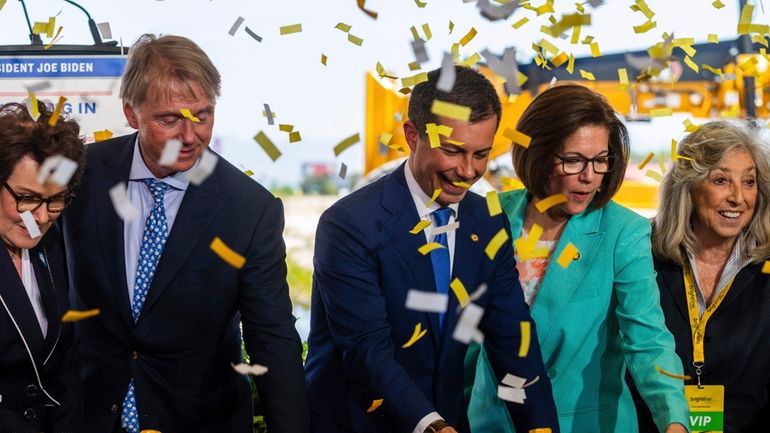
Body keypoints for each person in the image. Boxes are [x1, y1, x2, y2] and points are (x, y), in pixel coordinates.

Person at [62, 34, 309, 433]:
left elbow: (273, 338)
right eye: (170, 119)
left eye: (203, 115)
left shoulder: (249, 209)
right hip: (86, 415)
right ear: (131, 113)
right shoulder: (80, 176)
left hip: (200, 421)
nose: (190, 135)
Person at [305, 65, 559, 433]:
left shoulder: (488, 222)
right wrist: (430, 425)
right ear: (412, 135)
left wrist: (540, 428)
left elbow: (512, 341)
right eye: (454, 151)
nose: (469, 171)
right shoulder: (349, 224)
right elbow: (367, 352)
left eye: (481, 154)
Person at [465, 83, 689, 433]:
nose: (589, 176)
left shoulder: (623, 232)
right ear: (537, 152)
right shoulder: (489, 215)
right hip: (491, 424)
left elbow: (648, 341)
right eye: (573, 160)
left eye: (601, 160)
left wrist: (675, 420)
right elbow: (466, 335)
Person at [632, 121, 770, 432]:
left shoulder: (766, 268)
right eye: (721, 180)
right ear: (689, 187)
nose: (738, 197)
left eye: (749, 182)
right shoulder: (641, 256)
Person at [0, 101, 85, 432]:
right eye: (26, 197)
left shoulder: (51, 245)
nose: (39, 217)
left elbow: (61, 365)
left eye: (54, 201)